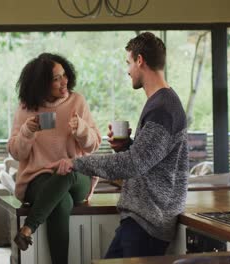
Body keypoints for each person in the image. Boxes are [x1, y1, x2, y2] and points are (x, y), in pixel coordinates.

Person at [47, 32, 189, 258]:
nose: (128, 70)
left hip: (148, 223)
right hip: (141, 220)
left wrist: (77, 164)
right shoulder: (160, 103)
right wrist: (126, 145)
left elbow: (133, 164)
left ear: (140, 60)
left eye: (129, 62)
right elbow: (148, 159)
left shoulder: (163, 108)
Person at [7, 53, 101, 264]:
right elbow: (16, 153)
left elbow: (94, 144)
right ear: (41, 85)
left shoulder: (77, 101)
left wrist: (81, 130)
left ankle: (28, 228)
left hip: (76, 177)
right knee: (61, 202)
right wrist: (27, 132)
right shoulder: (26, 107)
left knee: (68, 171)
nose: (64, 82)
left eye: (64, 75)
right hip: (39, 178)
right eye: (56, 79)